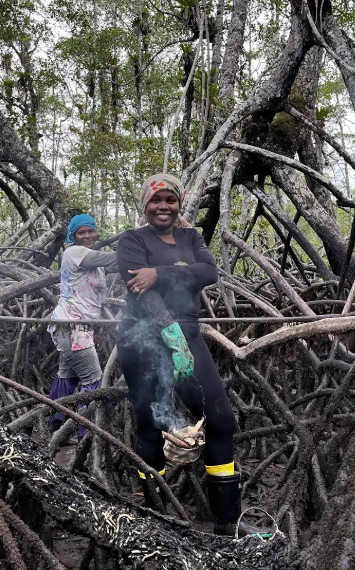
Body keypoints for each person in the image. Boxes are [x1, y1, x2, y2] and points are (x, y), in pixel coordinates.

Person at [115, 173, 241, 536]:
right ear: (145, 204)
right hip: (142, 340)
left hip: (187, 335)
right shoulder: (132, 240)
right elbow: (142, 291)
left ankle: (226, 525)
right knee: (151, 426)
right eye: (156, 200)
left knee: (220, 421)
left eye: (170, 200)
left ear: (179, 204)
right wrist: (169, 327)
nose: (163, 206)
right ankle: (152, 513)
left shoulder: (191, 236)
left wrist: (161, 272)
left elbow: (208, 271)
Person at [48, 214, 116, 435]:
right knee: (93, 378)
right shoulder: (73, 253)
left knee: (67, 376)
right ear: (73, 236)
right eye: (81, 232)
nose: (87, 236)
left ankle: (56, 426)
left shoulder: (95, 264)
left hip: (79, 328)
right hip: (71, 327)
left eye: (90, 231)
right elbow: (112, 259)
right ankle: (84, 437)